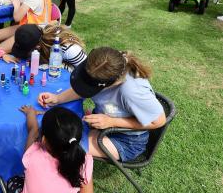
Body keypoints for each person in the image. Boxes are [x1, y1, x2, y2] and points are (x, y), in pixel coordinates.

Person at [38, 47, 166, 162]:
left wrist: (112, 122)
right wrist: (57, 98)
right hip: (103, 126)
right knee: (56, 133)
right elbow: (84, 88)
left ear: (111, 83)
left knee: (62, 145)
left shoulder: (132, 91)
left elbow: (159, 121)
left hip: (126, 140)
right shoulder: (103, 64)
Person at [10, 105, 95, 193]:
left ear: (43, 140)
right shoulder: (84, 162)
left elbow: (33, 130)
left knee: (15, 180)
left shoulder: (32, 152)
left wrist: (30, 114)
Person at [11, 23, 87, 70]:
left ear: (37, 47)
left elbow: (86, 71)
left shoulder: (70, 49)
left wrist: (59, 66)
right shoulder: (36, 32)